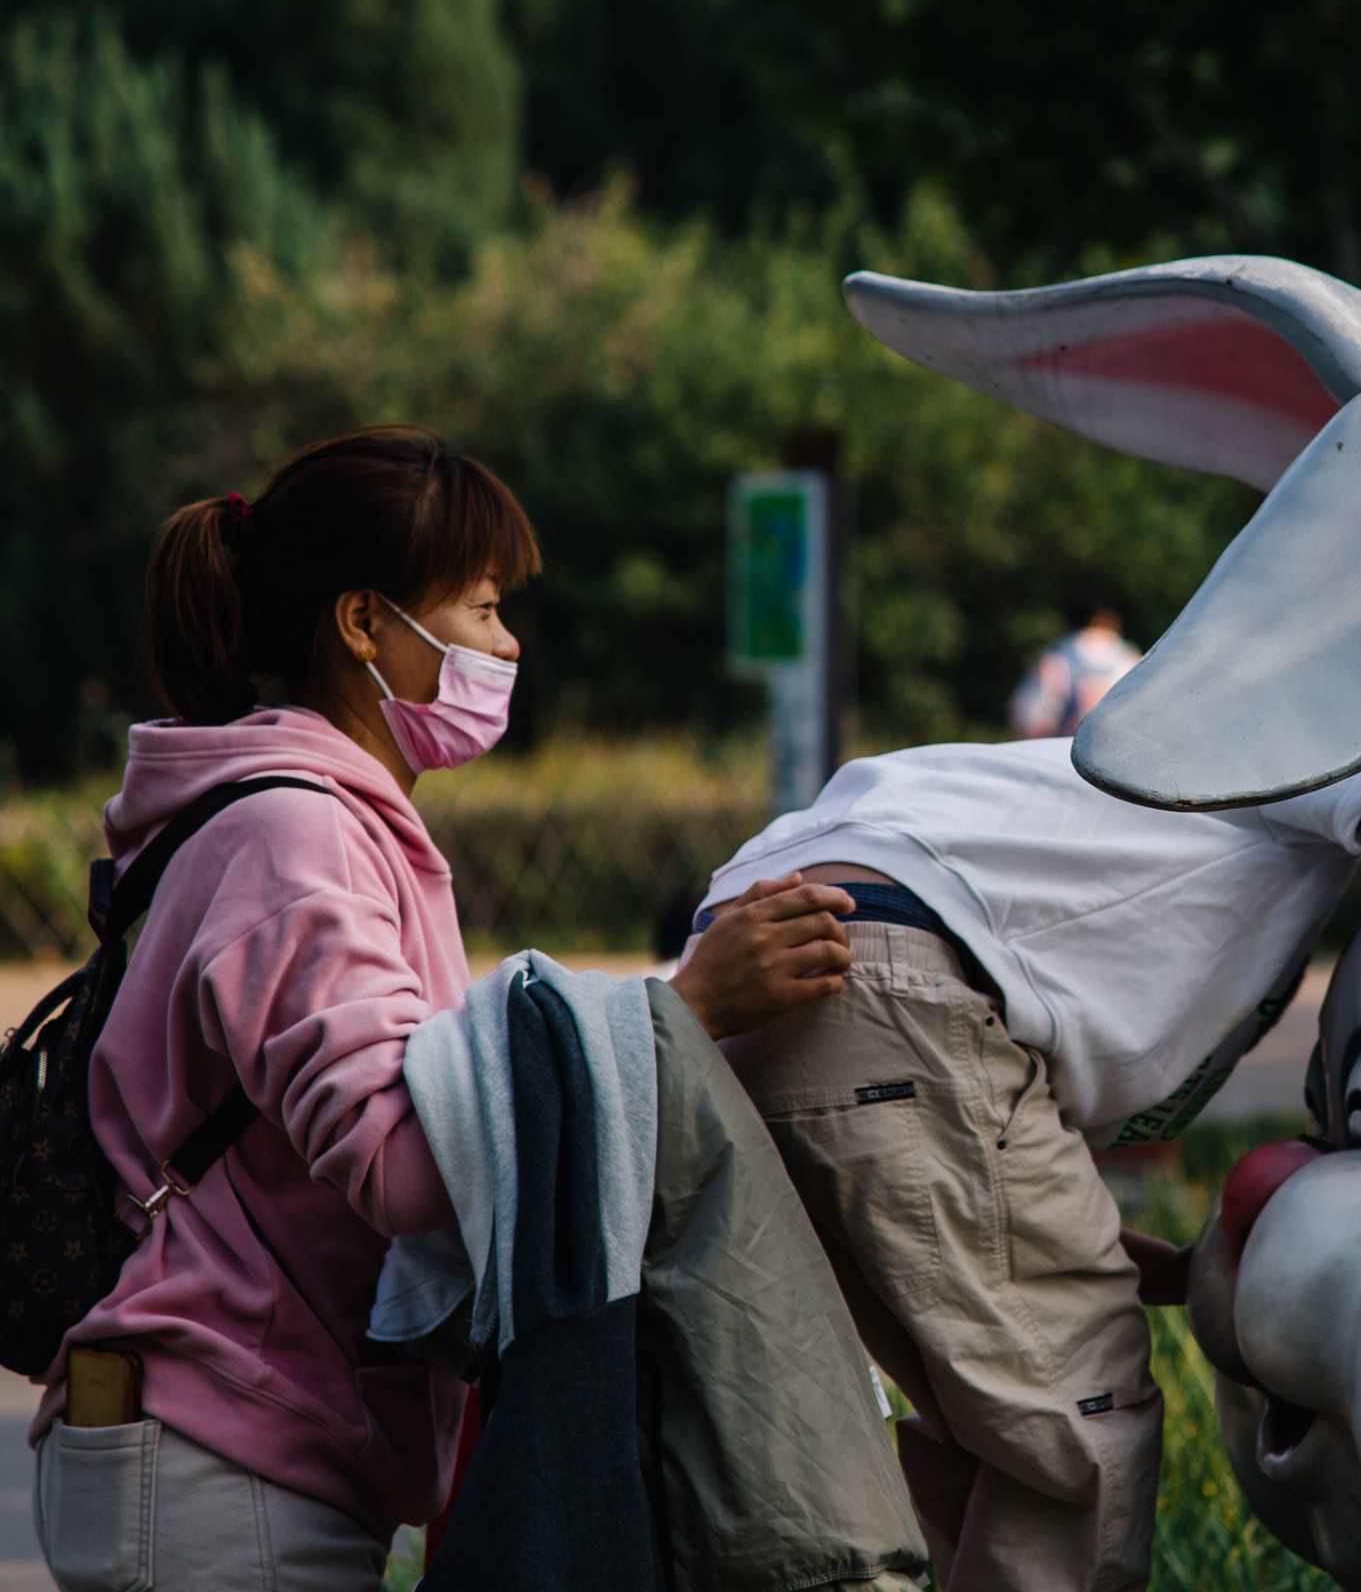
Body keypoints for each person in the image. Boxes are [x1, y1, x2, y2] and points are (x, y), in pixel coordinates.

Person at [32, 427, 850, 1592]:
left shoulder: (326, 817)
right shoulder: (296, 832)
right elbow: (403, 1159)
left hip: (254, 1447)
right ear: (365, 623)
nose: (506, 644)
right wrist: (680, 1011)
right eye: (476, 608)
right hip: (222, 1453)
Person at [693, 690, 1361, 1592]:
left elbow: (978, 1175)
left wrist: (1127, 1259)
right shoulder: (1279, 727)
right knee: (1075, 1411)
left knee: (983, 1412)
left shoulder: (1135, 792)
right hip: (895, 956)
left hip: (788, 948)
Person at [1009, 603, 1143, 738]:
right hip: (1114, 745)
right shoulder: (1129, 655)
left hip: (1062, 747)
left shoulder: (1060, 654)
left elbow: (1033, 719)